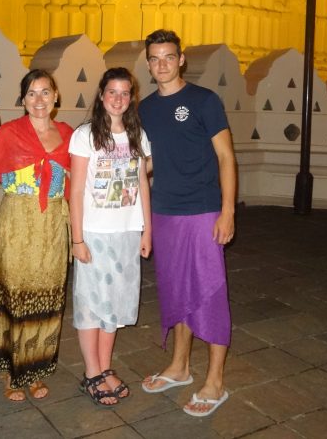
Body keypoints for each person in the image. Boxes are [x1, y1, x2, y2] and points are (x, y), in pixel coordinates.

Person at [138, 29, 237, 418]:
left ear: (181, 60)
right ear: (148, 64)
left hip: (201, 210)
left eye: (168, 57)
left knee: (210, 293)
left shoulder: (204, 101)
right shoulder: (145, 109)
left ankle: (215, 380)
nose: (161, 64)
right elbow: (149, 162)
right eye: (154, 58)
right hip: (164, 212)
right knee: (176, 291)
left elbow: (227, 157)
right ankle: (179, 367)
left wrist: (227, 211)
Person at [0, 69, 73, 401]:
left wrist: (76, 231)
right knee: (14, 297)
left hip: (52, 226)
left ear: (56, 96)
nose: (39, 100)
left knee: (48, 296)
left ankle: (36, 369)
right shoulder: (9, 133)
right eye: (32, 94)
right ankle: (11, 373)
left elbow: (75, 184)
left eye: (45, 92)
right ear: (23, 100)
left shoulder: (67, 134)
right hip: (17, 224)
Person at [69, 67, 152, 406]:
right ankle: (91, 373)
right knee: (91, 304)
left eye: (125, 92)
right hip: (95, 232)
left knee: (114, 304)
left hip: (126, 232)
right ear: (101, 95)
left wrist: (147, 229)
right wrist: (77, 239)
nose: (118, 99)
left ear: (131, 98)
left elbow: (143, 183)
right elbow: (75, 192)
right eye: (112, 92)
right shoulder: (85, 135)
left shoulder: (138, 136)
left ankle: (105, 368)